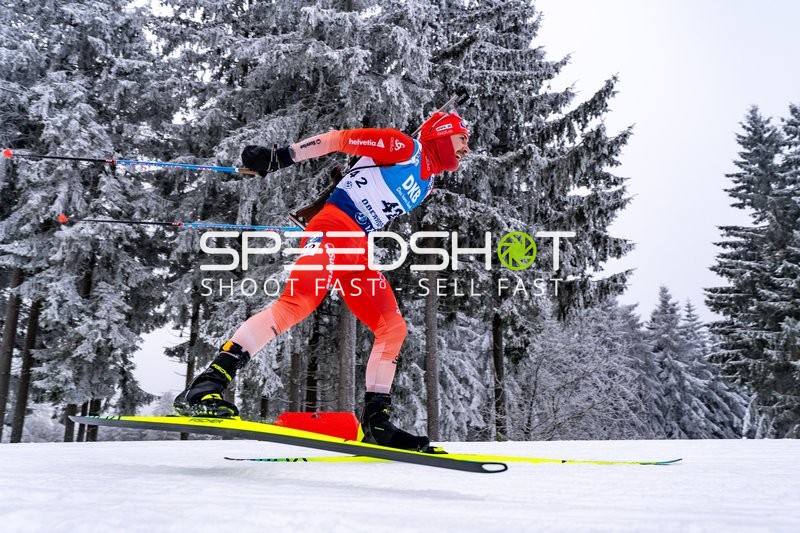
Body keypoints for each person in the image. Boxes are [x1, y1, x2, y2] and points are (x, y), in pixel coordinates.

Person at [174, 110, 471, 451]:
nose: (466, 148)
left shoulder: (426, 182)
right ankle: (206, 386)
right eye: (462, 138)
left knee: (392, 327)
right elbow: (337, 140)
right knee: (296, 304)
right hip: (334, 228)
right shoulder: (404, 147)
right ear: (442, 133)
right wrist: (280, 157)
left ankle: (376, 423)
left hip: (356, 247)